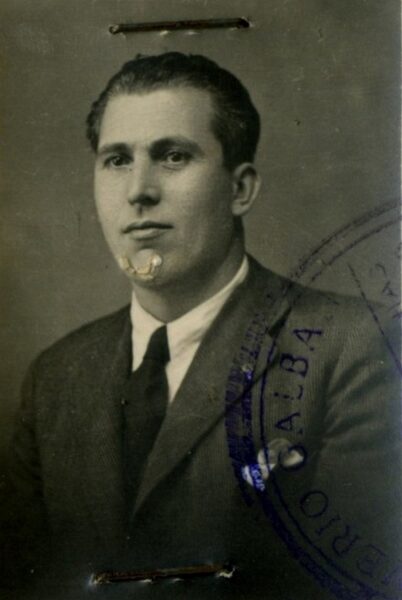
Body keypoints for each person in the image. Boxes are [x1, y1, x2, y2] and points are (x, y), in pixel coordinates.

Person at [4, 53, 401, 600]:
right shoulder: (55, 376)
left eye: (173, 156)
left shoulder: (357, 347)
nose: (138, 190)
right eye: (117, 160)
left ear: (241, 190)